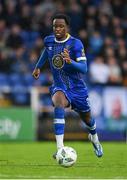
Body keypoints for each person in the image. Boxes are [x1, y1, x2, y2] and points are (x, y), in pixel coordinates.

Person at [32, 14, 103, 158]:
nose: (57, 29)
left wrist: (70, 61)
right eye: (55, 26)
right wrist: (38, 66)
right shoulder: (49, 40)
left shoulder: (76, 44)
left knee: (88, 119)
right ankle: (60, 148)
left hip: (77, 88)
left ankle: (94, 138)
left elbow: (84, 68)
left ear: (67, 27)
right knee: (58, 103)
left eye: (61, 26)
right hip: (59, 86)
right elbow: (47, 51)